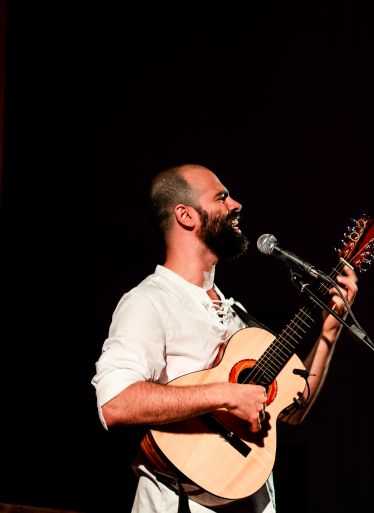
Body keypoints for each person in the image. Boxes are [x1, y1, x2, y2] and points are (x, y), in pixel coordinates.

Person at [91, 163, 358, 513]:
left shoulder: (236, 314)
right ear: (186, 216)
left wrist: (329, 330)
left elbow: (291, 412)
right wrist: (226, 395)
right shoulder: (149, 301)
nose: (236, 205)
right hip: (180, 502)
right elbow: (115, 404)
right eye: (221, 197)